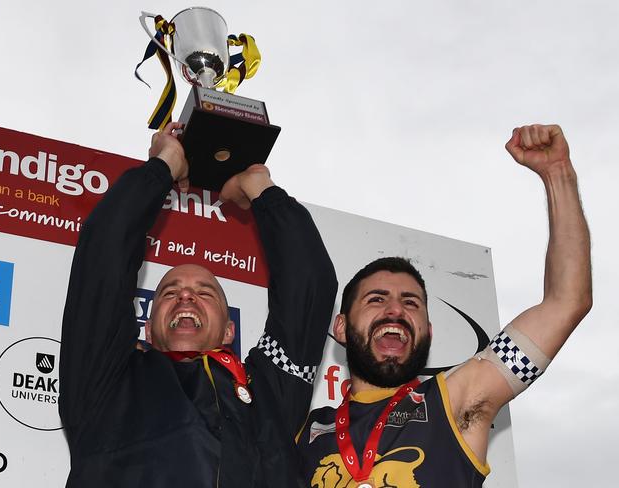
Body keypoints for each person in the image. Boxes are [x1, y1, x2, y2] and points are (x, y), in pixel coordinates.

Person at [296, 124, 592, 487]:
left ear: (428, 331)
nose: (395, 311)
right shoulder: (305, 433)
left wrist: (558, 173)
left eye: (411, 303)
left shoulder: (452, 402)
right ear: (340, 327)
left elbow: (566, 302)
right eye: (376, 299)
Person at [59, 122, 338, 487]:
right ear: (147, 325)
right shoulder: (107, 381)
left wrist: (260, 187)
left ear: (228, 329)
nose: (185, 296)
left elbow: (310, 283)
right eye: (169, 292)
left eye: (205, 293)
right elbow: (103, 256)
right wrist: (164, 164)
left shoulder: (269, 389)